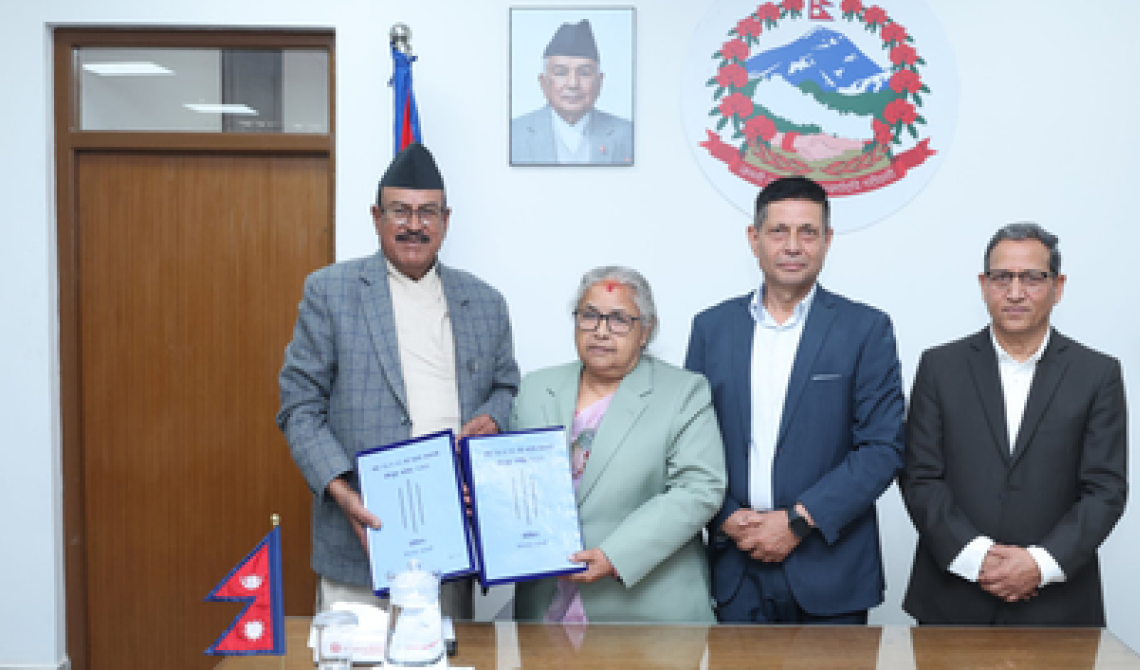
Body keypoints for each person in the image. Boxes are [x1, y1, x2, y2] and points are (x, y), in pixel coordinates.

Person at [278, 142, 519, 618]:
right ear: (376, 217)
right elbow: (299, 407)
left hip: (451, 536)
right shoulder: (330, 291)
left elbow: (506, 385)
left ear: (446, 220)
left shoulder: (485, 301)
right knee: (351, 665)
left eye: (427, 212)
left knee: (445, 662)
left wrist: (493, 415)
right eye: (400, 211)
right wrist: (343, 493)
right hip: (360, 536)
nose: (414, 225)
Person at [685, 176, 905, 624]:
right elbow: (688, 441)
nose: (792, 246)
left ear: (827, 241)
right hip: (736, 566)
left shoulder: (866, 329)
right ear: (754, 239)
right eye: (778, 231)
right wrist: (725, 516)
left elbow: (883, 448)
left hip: (832, 569)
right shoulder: (712, 328)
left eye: (808, 232)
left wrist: (799, 521)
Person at [899, 222, 1128, 626]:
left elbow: (1105, 490)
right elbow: (920, 477)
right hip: (952, 599)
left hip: (1058, 604)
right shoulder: (940, 367)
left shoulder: (1097, 374)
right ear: (984, 285)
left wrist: (1039, 564)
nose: (1016, 292)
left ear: (1058, 287)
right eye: (1002, 277)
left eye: (1032, 278)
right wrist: (978, 559)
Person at [513, 266, 725, 623]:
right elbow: (511, 483)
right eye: (589, 315)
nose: (600, 331)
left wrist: (616, 554)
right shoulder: (535, 388)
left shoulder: (683, 393)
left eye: (619, 320)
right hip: (545, 603)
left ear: (646, 331)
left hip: (645, 608)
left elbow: (699, 489)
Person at [510, 19, 633, 165]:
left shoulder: (629, 134)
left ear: (599, 82)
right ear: (543, 83)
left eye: (585, 73)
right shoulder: (512, 134)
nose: (573, 84)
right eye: (561, 73)